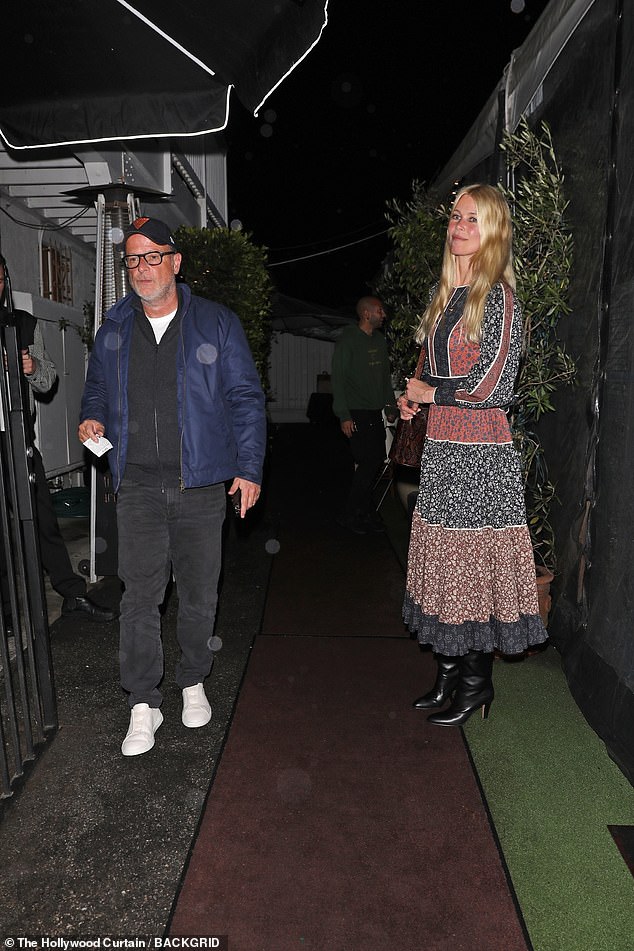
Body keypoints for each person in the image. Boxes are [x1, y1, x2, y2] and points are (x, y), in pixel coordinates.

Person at [78, 217, 266, 757]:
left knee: (200, 590)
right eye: (133, 259)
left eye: (152, 256)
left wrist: (249, 467)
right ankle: (143, 701)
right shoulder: (113, 328)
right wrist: (92, 419)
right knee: (139, 595)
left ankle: (192, 679)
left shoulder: (216, 323)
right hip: (135, 482)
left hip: (201, 483)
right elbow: (95, 391)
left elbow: (245, 400)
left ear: (175, 262)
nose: (142, 268)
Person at [398, 184, 547, 727]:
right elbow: (437, 374)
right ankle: (447, 674)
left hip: (482, 456)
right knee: (443, 565)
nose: (459, 226)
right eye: (456, 217)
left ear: (494, 232)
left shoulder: (502, 299)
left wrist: (428, 394)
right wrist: (414, 396)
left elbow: (494, 386)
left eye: (473, 219)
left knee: (473, 570)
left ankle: (476, 683)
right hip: (443, 448)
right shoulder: (445, 299)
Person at [0, 255, 116, 631]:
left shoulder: (21, 322)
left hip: (17, 438)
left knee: (43, 521)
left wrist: (31, 368)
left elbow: (49, 380)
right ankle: (6, 617)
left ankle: (71, 594)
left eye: (0, 278)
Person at [331, 296, 396, 534]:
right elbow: (337, 380)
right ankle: (352, 514)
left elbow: (384, 380)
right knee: (368, 463)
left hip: (374, 413)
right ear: (367, 314)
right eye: (380, 310)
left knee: (375, 460)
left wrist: (390, 407)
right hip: (356, 413)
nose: (384, 315)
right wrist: (343, 415)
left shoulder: (379, 341)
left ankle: (364, 512)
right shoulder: (348, 340)